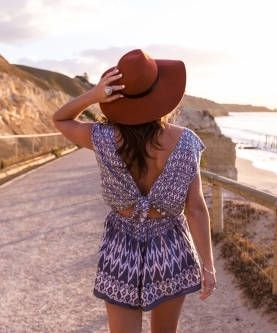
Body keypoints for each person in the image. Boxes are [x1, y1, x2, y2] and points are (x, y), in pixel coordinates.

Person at [52, 49, 216, 333]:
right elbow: (195, 208)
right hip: (171, 247)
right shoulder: (186, 142)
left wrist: (93, 95)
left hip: (121, 245)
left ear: (118, 98)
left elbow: (61, 119)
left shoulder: (102, 138)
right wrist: (208, 266)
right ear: (164, 95)